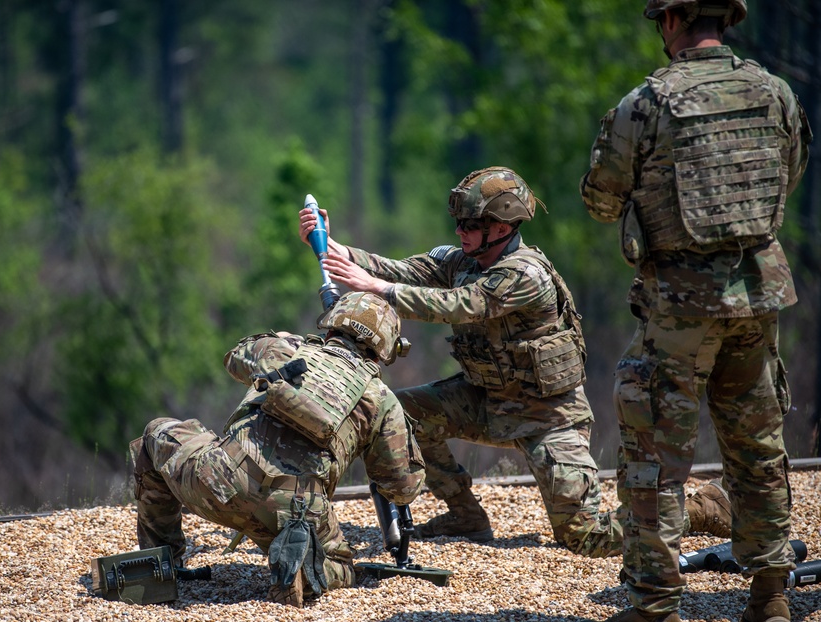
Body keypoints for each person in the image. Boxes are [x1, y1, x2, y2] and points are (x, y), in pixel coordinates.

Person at [298, 166, 731, 562]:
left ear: (503, 227)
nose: (460, 231)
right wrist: (332, 247)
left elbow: (461, 305)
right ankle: (465, 516)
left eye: (471, 225)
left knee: (586, 537)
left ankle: (700, 508)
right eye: (460, 223)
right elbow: (401, 270)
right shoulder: (461, 260)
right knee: (400, 415)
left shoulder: (525, 274)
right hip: (486, 401)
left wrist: (377, 288)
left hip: (547, 416)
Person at [577, 0, 811, 622]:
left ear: (674, 20)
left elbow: (599, 198)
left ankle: (656, 605)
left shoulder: (646, 104)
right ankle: (770, 597)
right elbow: (789, 175)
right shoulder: (776, 93)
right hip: (757, 294)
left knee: (654, 453)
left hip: (679, 304)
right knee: (757, 446)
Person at [129, 291, 425, 608]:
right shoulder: (381, 399)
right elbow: (403, 487)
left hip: (220, 481)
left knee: (156, 434)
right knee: (341, 566)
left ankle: (160, 566)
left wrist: (282, 339)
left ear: (330, 329)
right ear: (382, 353)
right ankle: (302, 568)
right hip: (293, 514)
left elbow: (234, 358)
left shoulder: (288, 351)